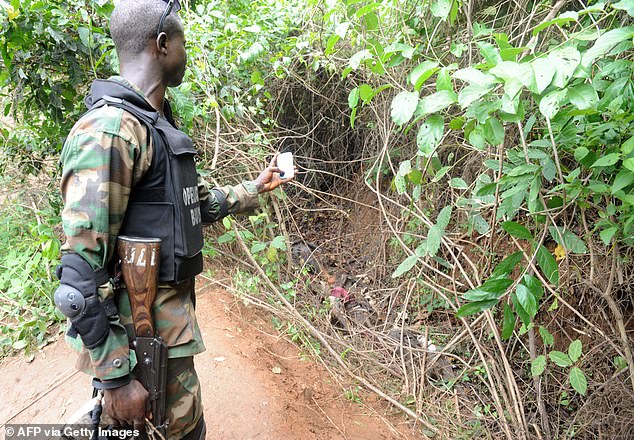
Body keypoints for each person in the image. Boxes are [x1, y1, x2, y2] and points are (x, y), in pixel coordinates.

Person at [54, 0, 291, 438]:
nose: (187, 49)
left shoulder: (156, 128)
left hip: (169, 342)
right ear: (162, 45)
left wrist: (253, 189)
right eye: (182, 40)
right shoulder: (110, 131)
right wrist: (117, 379)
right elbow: (78, 277)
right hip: (137, 349)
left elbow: (192, 207)